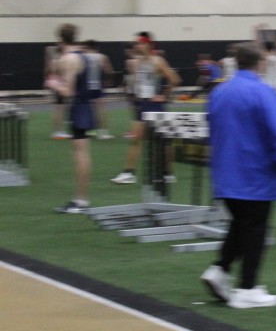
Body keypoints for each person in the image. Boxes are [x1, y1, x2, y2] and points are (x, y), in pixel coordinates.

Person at [199, 42, 276, 309]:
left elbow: (210, 126)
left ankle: (220, 270)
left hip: (225, 170)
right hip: (256, 172)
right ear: (261, 64)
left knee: (241, 223)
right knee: (255, 228)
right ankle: (247, 287)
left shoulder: (219, 91)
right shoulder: (263, 92)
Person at [111, 32, 181, 184]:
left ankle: (167, 174)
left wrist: (164, 96)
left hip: (154, 105)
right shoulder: (138, 62)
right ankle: (129, 173)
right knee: (136, 139)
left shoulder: (158, 61)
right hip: (142, 104)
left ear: (148, 45)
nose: (137, 46)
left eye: (140, 43)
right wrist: (136, 94)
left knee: (163, 142)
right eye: (136, 43)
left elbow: (175, 79)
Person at [47, 24, 95, 214]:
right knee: (81, 153)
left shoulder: (69, 59)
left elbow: (68, 91)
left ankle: (80, 201)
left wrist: (53, 84)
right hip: (84, 105)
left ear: (60, 40)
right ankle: (80, 200)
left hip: (78, 107)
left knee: (80, 155)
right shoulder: (84, 55)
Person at [83, 39, 115, 139]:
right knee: (100, 109)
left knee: (86, 109)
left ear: (87, 47)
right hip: (97, 85)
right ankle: (103, 133)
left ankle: (89, 131)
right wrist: (108, 81)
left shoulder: (82, 57)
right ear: (97, 47)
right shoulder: (102, 57)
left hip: (85, 86)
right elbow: (109, 71)